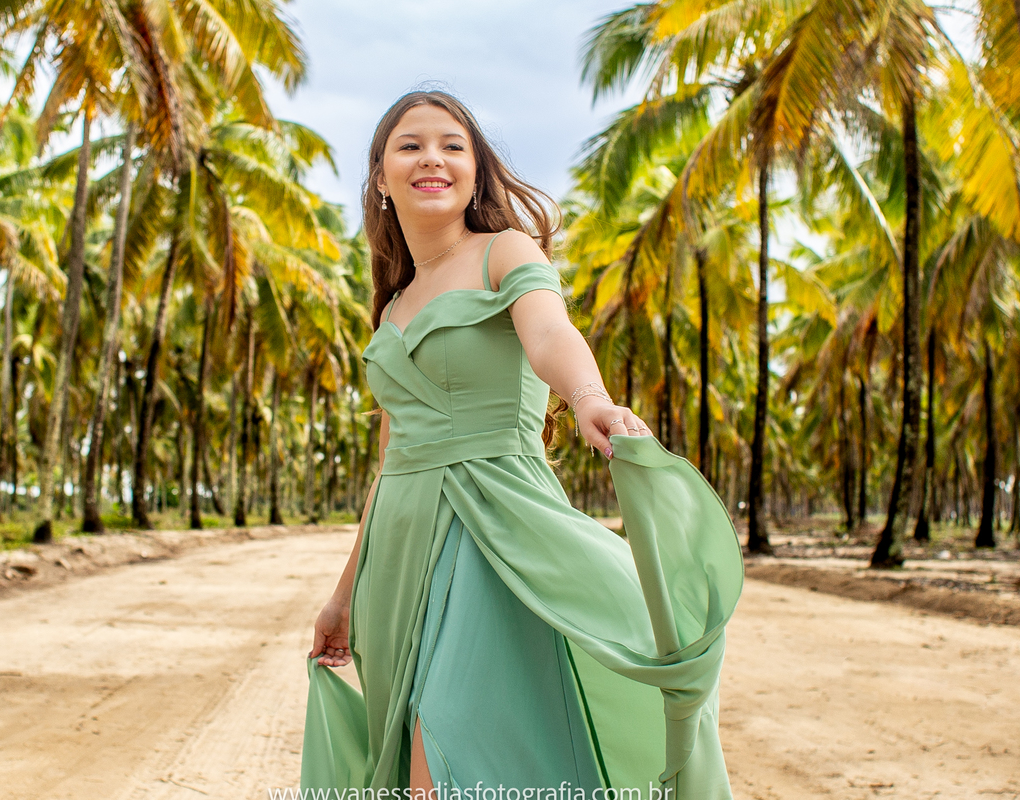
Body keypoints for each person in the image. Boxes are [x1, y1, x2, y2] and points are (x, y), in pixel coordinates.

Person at [301, 90, 743, 799]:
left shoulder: (504, 251)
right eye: (409, 146)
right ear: (380, 178)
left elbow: (549, 336)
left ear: (476, 170)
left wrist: (590, 398)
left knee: (446, 741)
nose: (432, 158)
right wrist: (343, 596)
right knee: (416, 743)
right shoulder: (390, 308)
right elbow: (392, 463)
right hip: (398, 553)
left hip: (494, 530)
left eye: (453, 144)